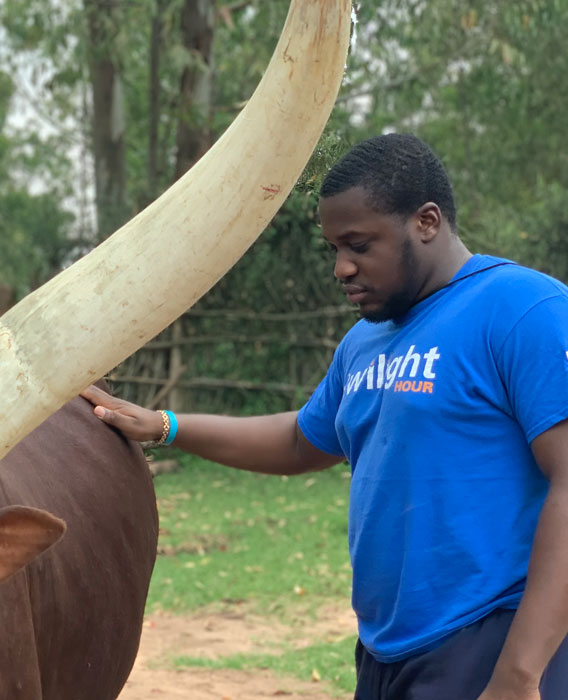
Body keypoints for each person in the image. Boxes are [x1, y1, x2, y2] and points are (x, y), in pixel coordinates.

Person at [83, 133, 568, 700]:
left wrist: (519, 674)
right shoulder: (366, 342)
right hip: (387, 651)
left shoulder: (524, 310)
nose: (341, 267)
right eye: (334, 247)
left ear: (427, 222)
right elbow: (302, 439)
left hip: (490, 640)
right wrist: (166, 425)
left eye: (359, 244)